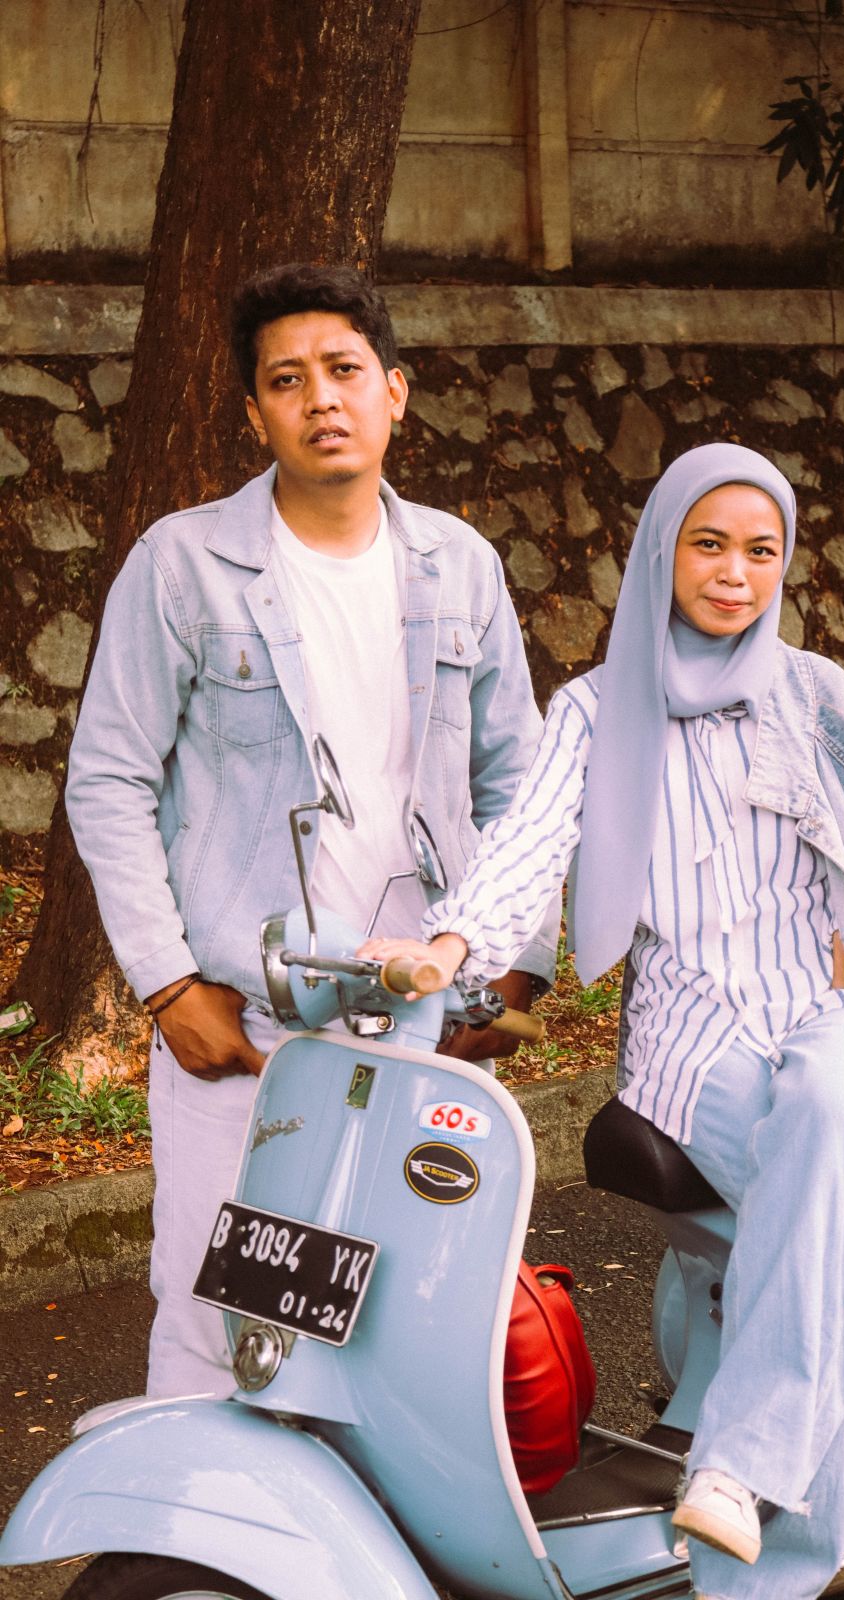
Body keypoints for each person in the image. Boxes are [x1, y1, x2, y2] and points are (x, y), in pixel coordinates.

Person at [359, 443, 844, 1600]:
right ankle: (765, 1531)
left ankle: (738, 1468)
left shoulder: (815, 697)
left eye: (760, 551)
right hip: (692, 1032)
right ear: (663, 549)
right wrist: (449, 947)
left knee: (826, 1102)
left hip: (834, 1010)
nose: (733, 573)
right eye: (708, 545)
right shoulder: (596, 710)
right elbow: (525, 845)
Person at [66, 262, 557, 1401]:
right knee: (224, 1325)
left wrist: (514, 969)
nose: (320, 397)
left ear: (394, 391)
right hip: (248, 1027)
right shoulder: (185, 566)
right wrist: (166, 985)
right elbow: (107, 778)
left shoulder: (459, 566)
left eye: (343, 369)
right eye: (286, 380)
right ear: (255, 413)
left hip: (423, 1019)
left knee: (402, 1322)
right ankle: (199, 1518)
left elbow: (520, 784)